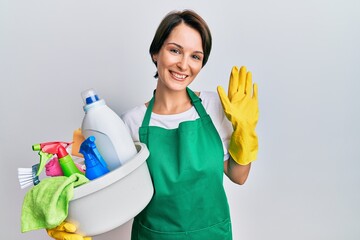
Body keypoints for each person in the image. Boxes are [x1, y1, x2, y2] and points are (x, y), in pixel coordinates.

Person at [47, 9, 259, 240]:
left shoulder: (215, 106)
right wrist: (73, 221)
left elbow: (238, 176)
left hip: (212, 234)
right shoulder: (131, 122)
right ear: (155, 53)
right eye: (175, 50)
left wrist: (245, 132)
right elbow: (116, 196)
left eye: (195, 56)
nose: (183, 65)